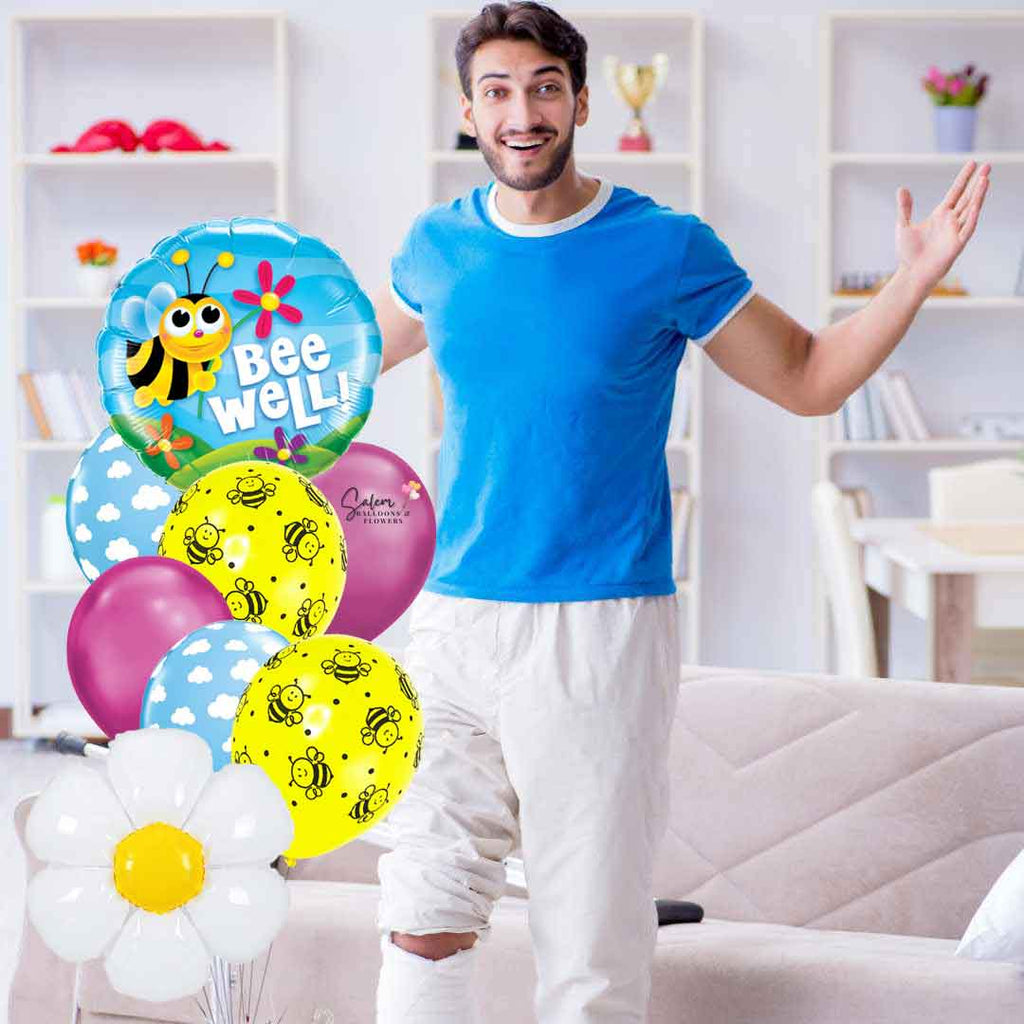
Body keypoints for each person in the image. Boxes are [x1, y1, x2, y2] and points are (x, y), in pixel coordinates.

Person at [370, 4, 991, 1021]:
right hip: (451, 622)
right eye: (496, 91)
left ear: (577, 99)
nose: (519, 112)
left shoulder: (661, 246)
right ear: (468, 112)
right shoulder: (436, 246)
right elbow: (343, 367)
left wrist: (914, 277)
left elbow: (807, 376)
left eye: (540, 87)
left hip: (598, 627)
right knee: (423, 901)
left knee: (589, 934)